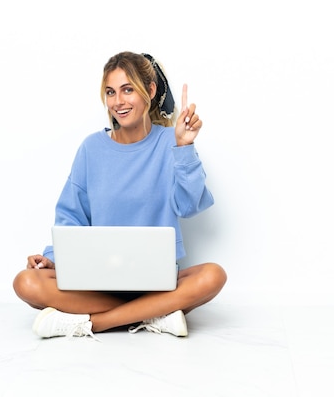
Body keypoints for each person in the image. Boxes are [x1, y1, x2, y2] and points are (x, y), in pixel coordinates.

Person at [12, 51, 227, 339]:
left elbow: (189, 206)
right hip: (96, 282)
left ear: (149, 91)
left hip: (156, 281)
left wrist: (184, 148)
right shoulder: (91, 149)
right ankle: (154, 314)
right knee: (26, 282)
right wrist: (52, 259)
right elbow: (71, 216)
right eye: (111, 92)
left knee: (213, 275)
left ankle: (94, 323)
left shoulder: (171, 141)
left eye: (128, 90)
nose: (118, 102)